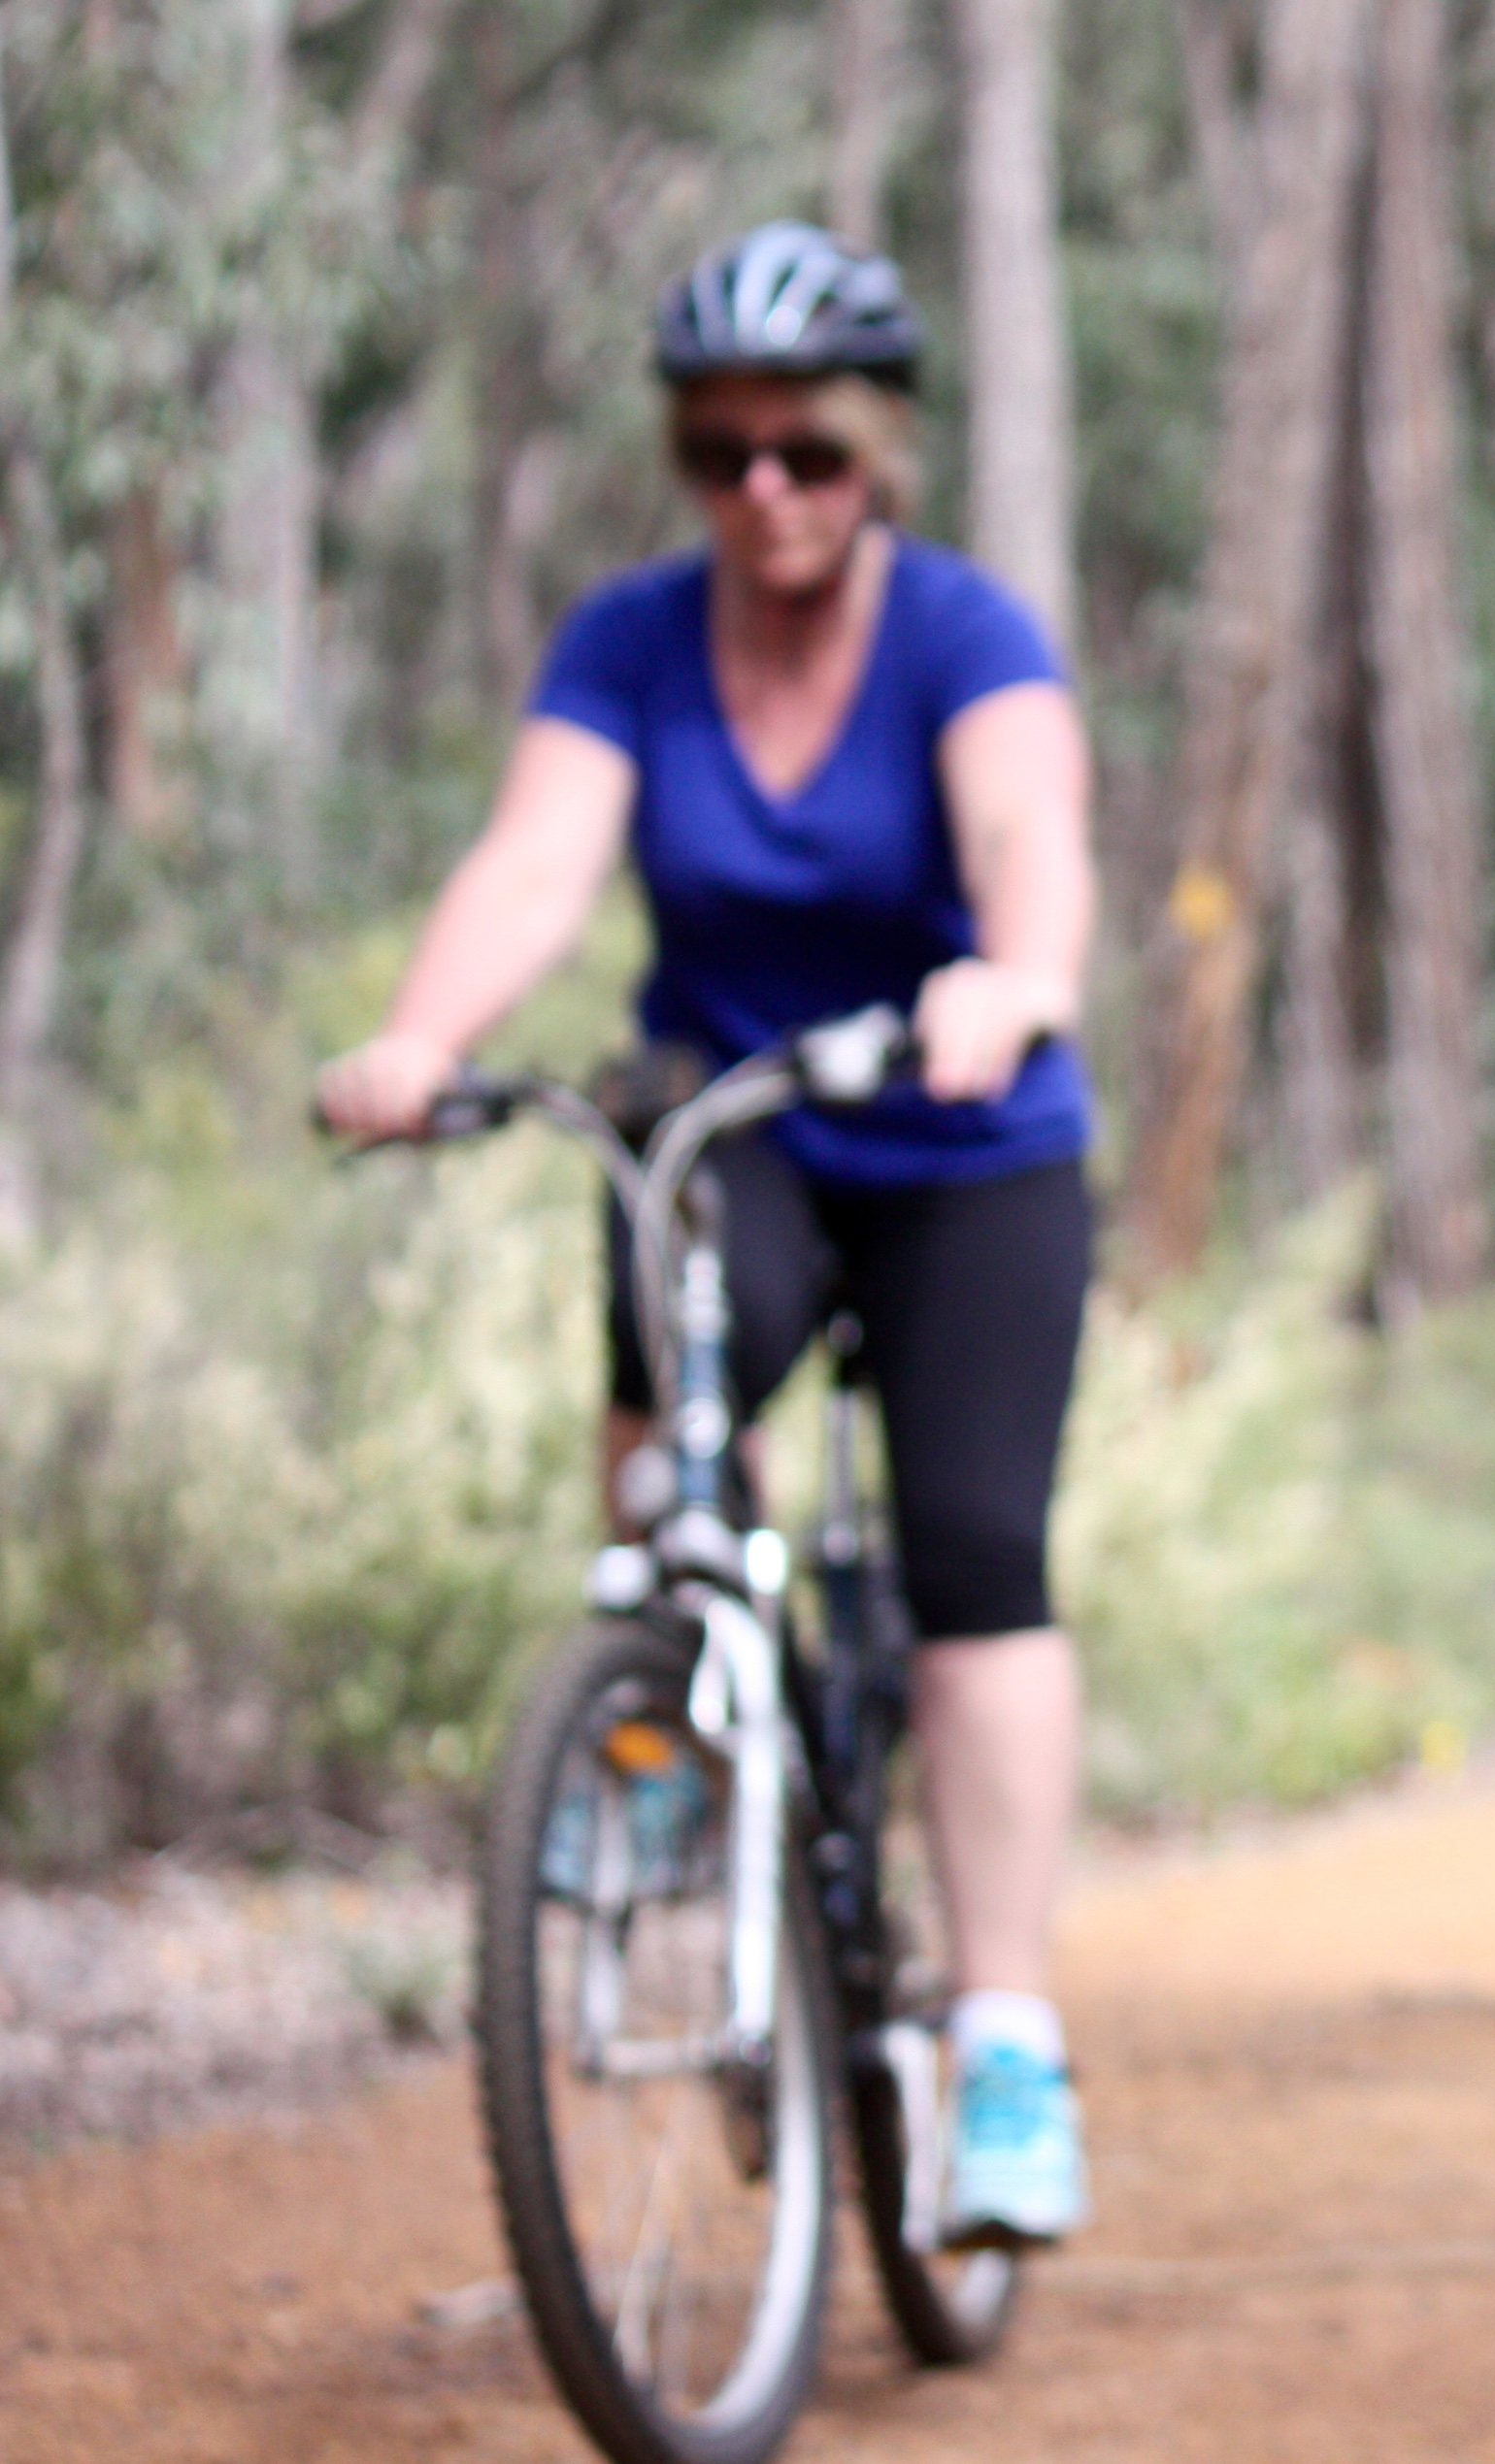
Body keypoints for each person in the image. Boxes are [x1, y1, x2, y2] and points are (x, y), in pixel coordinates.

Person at [317, 222, 1095, 2247]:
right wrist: (422, 1034)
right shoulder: (631, 643)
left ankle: (1006, 2038)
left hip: (960, 1132)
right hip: (749, 1113)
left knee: (975, 1566)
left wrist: (1009, 979)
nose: (765, 490)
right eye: (720, 449)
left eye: (808, 453)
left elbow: (1032, 836)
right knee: (657, 1296)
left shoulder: (961, 635)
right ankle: (664, 1716)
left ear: (877, 456)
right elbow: (539, 854)